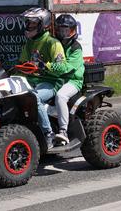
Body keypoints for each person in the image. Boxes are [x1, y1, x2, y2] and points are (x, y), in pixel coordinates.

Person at [19, 7, 66, 149]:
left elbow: (62, 68)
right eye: (27, 22)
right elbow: (22, 64)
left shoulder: (53, 43)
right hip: (31, 81)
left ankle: (49, 134)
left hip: (50, 82)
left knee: (34, 98)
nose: (29, 26)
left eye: (32, 23)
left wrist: (45, 66)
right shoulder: (29, 43)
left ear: (42, 24)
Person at [51, 14, 85, 145]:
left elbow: (68, 68)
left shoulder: (76, 47)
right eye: (61, 30)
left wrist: (51, 66)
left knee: (60, 96)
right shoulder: (54, 44)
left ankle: (63, 130)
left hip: (73, 81)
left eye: (67, 30)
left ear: (73, 31)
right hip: (55, 78)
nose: (64, 33)